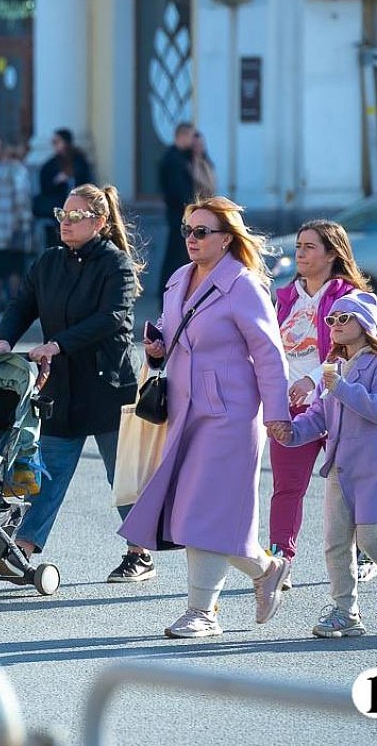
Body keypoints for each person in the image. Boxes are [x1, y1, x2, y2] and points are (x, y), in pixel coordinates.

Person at [119, 196, 291, 639]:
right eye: (187, 231)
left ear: (227, 239)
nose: (191, 239)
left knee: (204, 512)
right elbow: (172, 329)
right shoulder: (179, 278)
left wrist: (277, 413)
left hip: (230, 415)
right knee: (191, 511)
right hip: (184, 409)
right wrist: (158, 346)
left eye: (202, 232)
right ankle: (265, 569)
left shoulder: (244, 285)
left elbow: (269, 355)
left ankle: (202, 612)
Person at [0, 183, 150, 583]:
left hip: (108, 386)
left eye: (76, 216)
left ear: (100, 222)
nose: (66, 223)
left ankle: (139, 553)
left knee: (121, 475)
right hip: (60, 386)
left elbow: (110, 318)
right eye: (63, 214)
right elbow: (21, 305)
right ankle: (22, 549)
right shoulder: (48, 262)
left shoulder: (116, 265)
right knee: (48, 471)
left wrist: (57, 344)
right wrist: (3, 342)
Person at [268, 219, 368, 588]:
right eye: (298, 245)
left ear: (331, 254)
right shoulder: (285, 297)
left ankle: (363, 552)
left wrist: (313, 378)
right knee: (287, 487)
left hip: (341, 406)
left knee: (353, 485)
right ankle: (280, 560)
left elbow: (353, 351)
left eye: (309, 246)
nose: (300, 252)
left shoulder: (349, 298)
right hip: (293, 409)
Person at [273, 293, 377, 638]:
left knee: (371, 539)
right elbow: (318, 416)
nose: (335, 325)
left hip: (372, 469)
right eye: (331, 320)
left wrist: (342, 389)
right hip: (338, 469)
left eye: (344, 318)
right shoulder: (334, 366)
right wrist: (291, 432)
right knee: (335, 543)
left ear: (366, 322)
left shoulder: (371, 364)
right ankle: (346, 612)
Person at [0, 140, 35, 308]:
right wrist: (24, 219)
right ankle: (14, 301)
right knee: (16, 266)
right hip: (14, 226)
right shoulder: (18, 170)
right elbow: (21, 198)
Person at [37, 128, 93, 251]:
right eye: (54, 142)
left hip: (78, 211)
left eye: (57, 142)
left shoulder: (80, 162)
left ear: (66, 143)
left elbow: (88, 185)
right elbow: (44, 188)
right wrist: (57, 181)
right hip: (57, 212)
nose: (55, 145)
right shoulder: (51, 165)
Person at [157, 122, 195, 297]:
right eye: (190, 136)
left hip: (180, 215)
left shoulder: (181, 157)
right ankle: (167, 294)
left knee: (178, 256)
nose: (192, 140)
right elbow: (178, 191)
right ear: (182, 136)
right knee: (175, 258)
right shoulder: (173, 160)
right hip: (178, 216)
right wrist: (191, 210)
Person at [190, 131, 216, 199]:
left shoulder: (207, 163)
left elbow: (212, 185)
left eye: (200, 145)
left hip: (207, 199)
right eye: (195, 145)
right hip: (193, 200)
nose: (198, 148)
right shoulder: (188, 163)